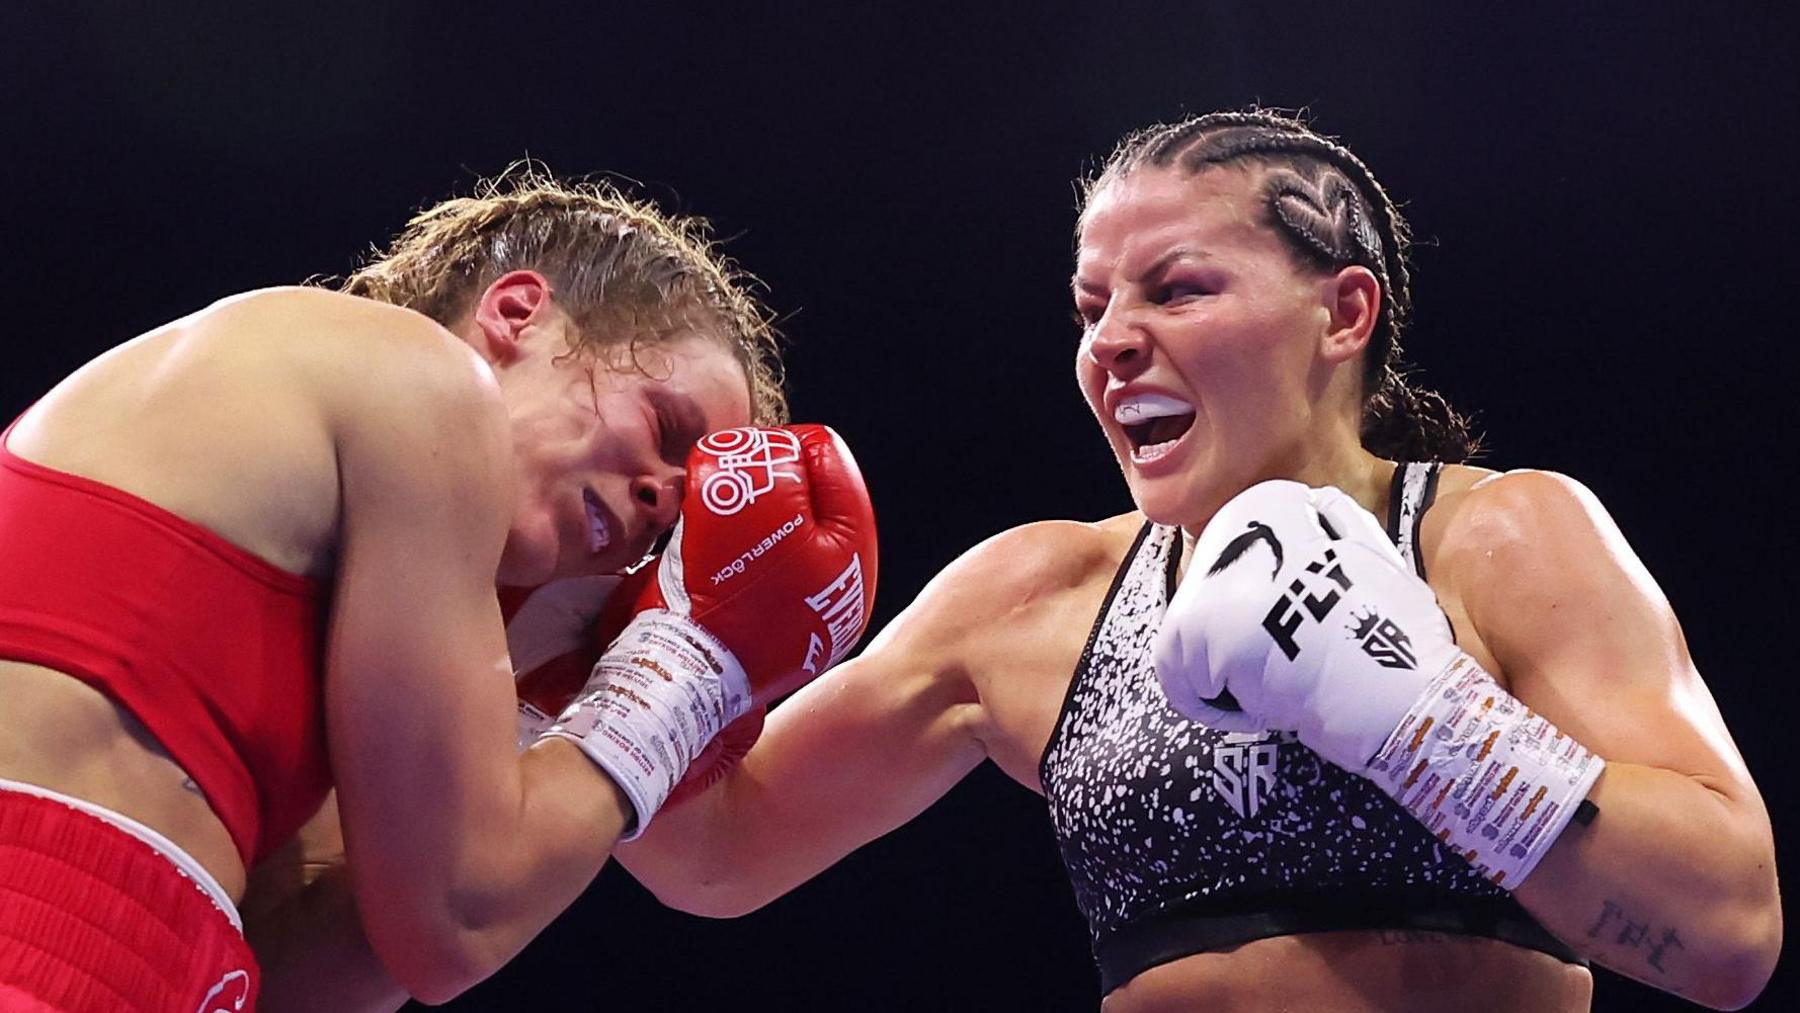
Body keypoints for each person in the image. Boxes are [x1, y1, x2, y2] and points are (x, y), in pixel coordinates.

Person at [616, 111, 1782, 1011]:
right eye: (1090, 304)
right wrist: (586, 608)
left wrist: (1428, 721)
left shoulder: (1500, 539)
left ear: (1344, 312)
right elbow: (716, 853)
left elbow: (1728, 929)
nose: (1112, 341)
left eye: (1178, 288)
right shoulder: (1032, 598)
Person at [0, 170, 878, 1012]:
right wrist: (684, 674)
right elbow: (460, 918)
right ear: (517, 313)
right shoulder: (417, 377)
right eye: (666, 428)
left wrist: (547, 724)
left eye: (677, 515)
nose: (659, 497)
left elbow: (302, 975)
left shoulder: (320, 614)